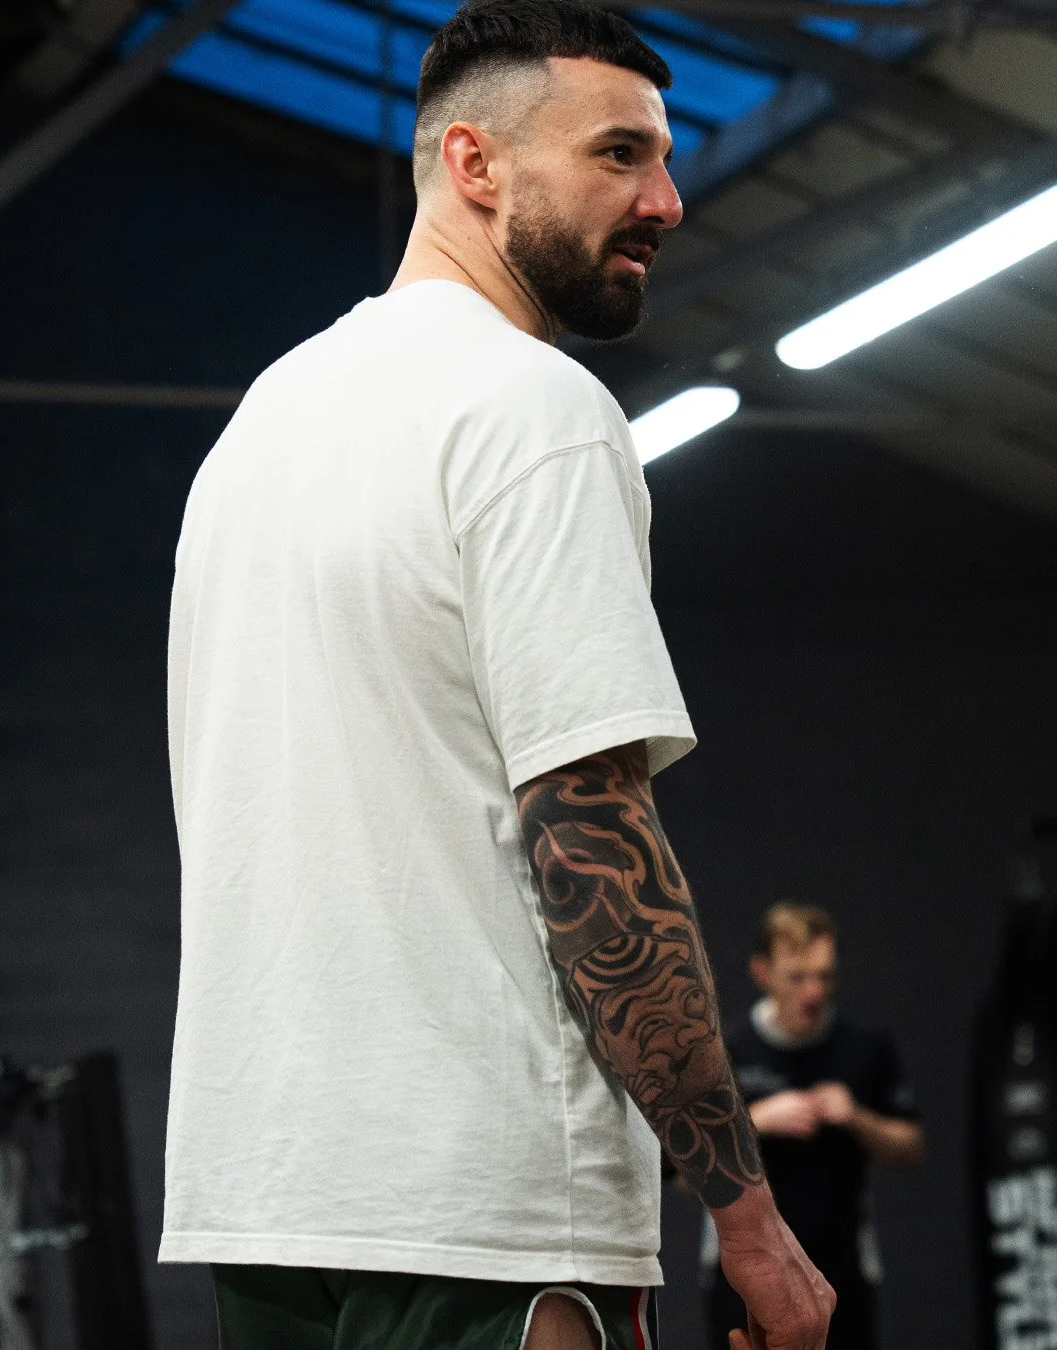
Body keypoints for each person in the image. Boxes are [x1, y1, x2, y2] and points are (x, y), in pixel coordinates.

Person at [159, 2, 835, 1347]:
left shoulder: (258, 431)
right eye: (621, 155)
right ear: (476, 163)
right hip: (486, 1212)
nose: (670, 198)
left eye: (665, 158)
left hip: (269, 1206)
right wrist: (746, 1217)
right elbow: (592, 838)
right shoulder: (535, 410)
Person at [705, 903, 924, 1350]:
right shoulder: (727, 1051)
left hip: (843, 1271)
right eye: (798, 976)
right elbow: (684, 1176)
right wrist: (756, 1121)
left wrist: (856, 1117)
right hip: (746, 1274)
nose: (813, 992)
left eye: (824, 976)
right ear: (762, 972)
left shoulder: (864, 1048)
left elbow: (913, 1148)